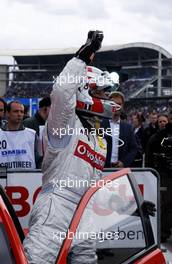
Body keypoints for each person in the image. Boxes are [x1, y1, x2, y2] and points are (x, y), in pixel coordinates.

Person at [23, 31, 120, 264]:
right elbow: (61, 92)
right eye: (100, 92)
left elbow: (94, 185)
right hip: (56, 206)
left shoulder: (98, 139)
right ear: (83, 91)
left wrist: (132, 207)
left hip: (84, 209)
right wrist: (81, 59)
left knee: (86, 261)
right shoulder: (64, 123)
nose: (107, 98)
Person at [145, 111, 172, 242]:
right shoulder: (155, 137)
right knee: (166, 204)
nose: (163, 123)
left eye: (164, 121)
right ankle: (163, 232)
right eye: (160, 121)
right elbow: (149, 156)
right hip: (163, 174)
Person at [101, 91, 138, 168]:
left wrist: (124, 162)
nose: (116, 106)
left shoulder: (128, 128)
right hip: (101, 169)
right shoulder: (99, 124)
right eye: (113, 103)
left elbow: (133, 149)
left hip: (120, 171)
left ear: (122, 106)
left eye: (119, 104)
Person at [0, 101, 39, 170]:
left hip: (28, 178)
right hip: (3, 178)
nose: (19, 114)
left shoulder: (32, 135)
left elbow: (39, 160)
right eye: (16, 111)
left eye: (21, 112)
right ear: (7, 113)